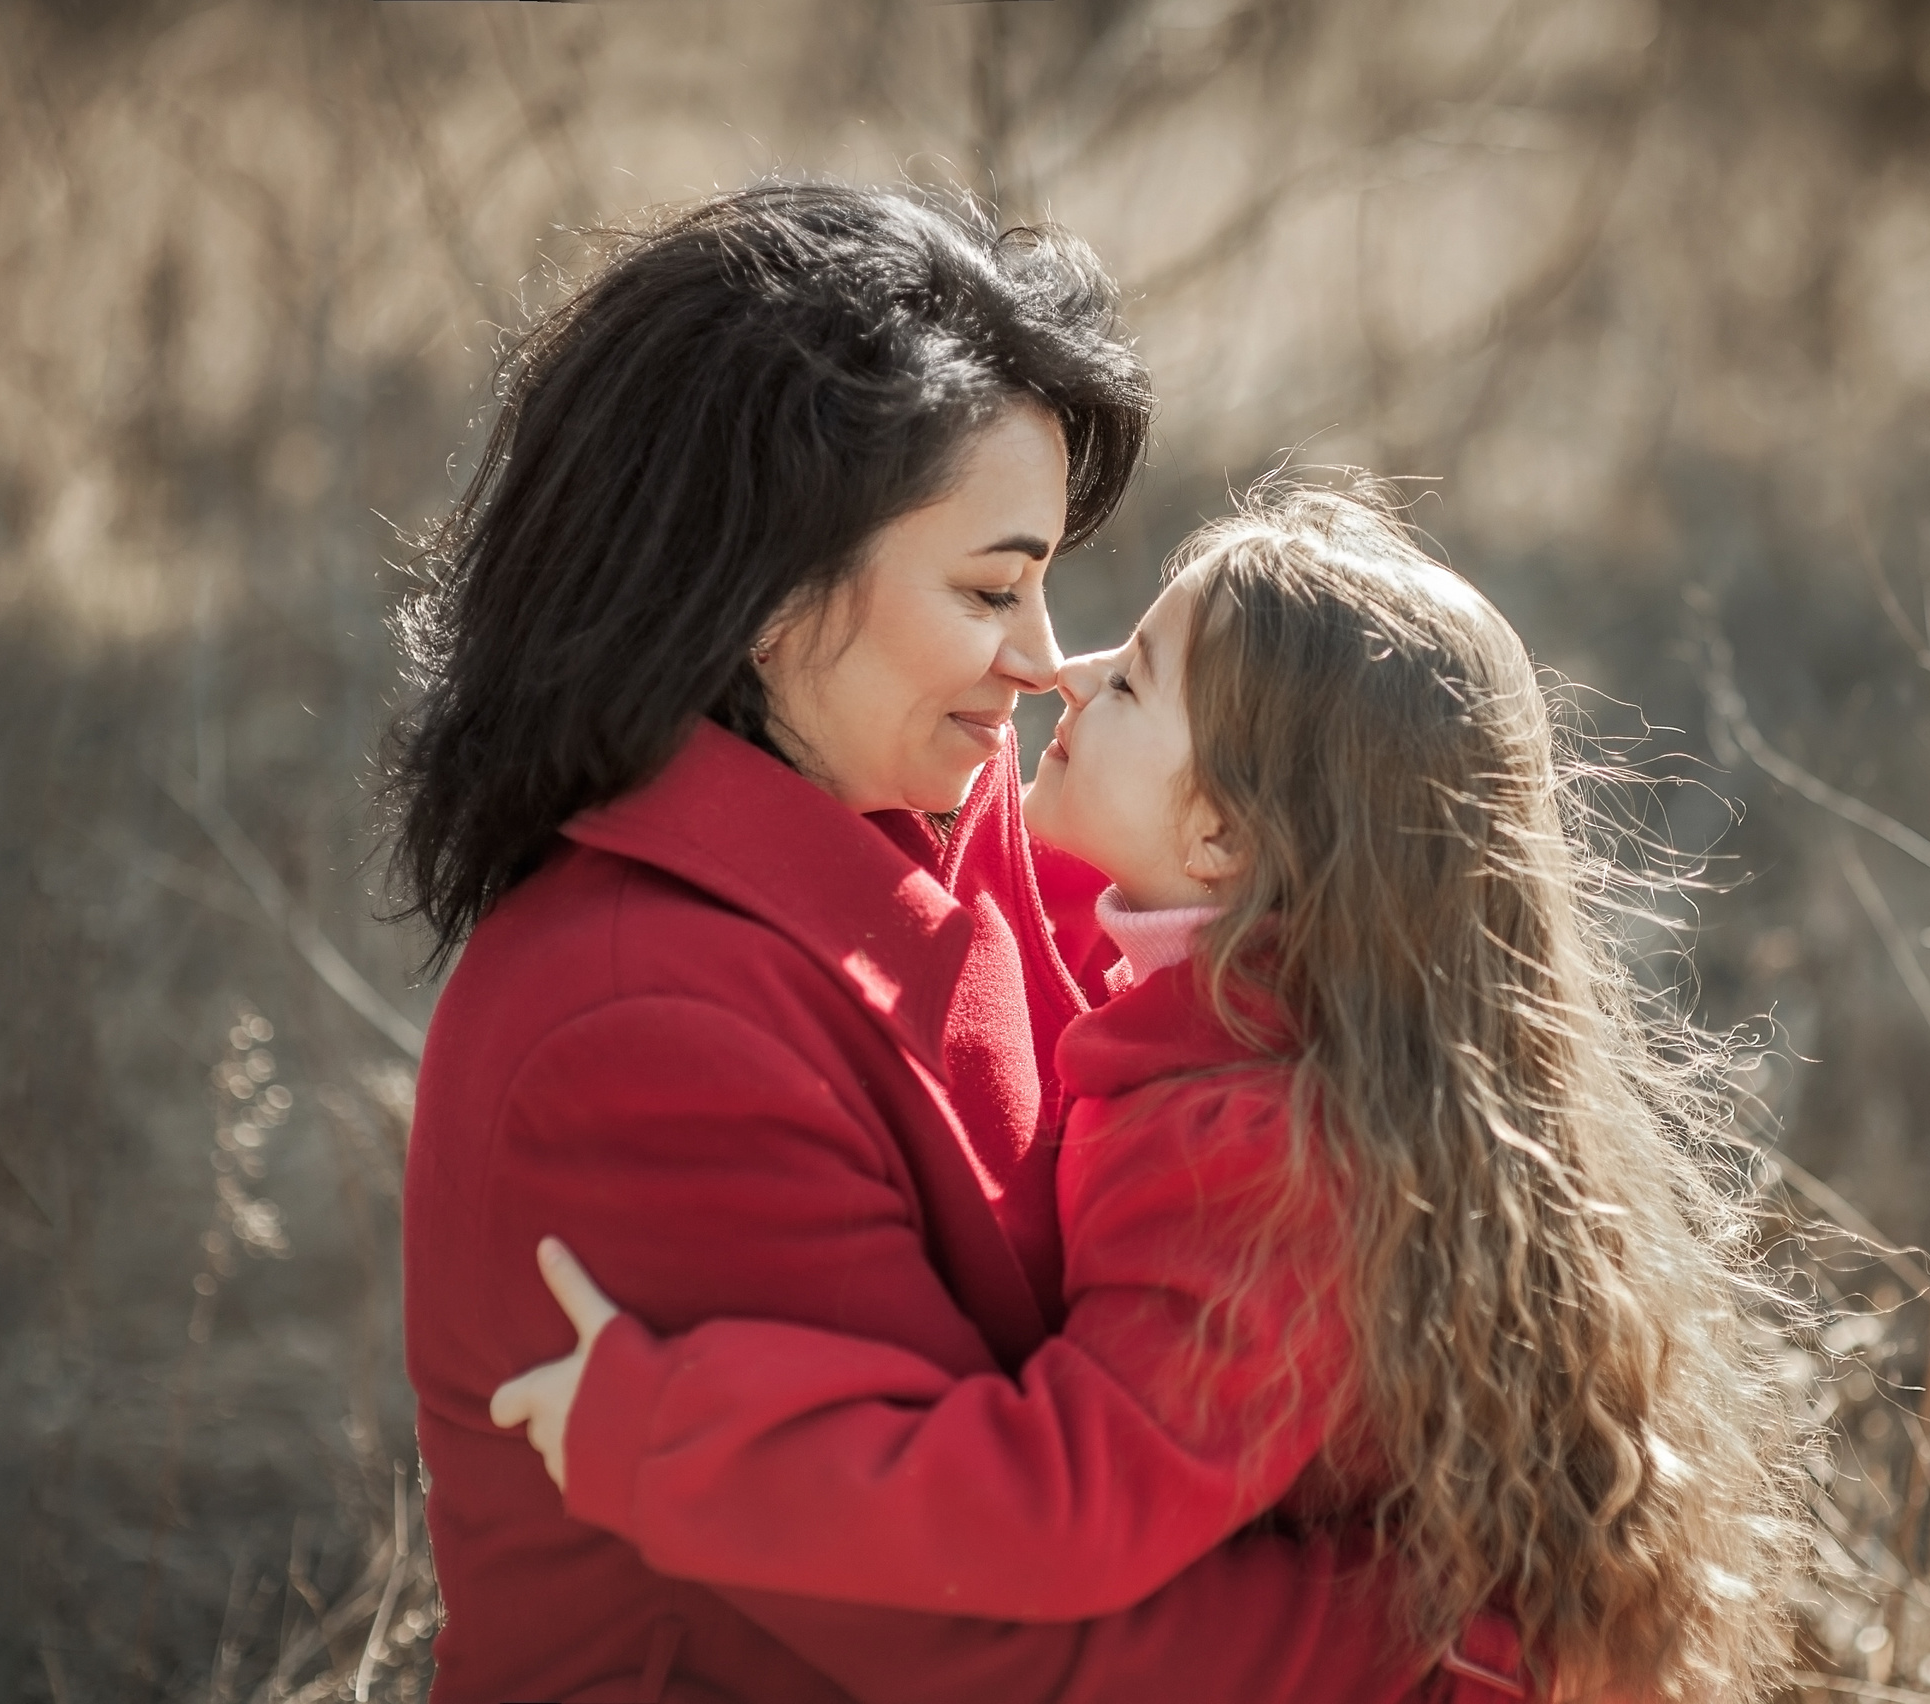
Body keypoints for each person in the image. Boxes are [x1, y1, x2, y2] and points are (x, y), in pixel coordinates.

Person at [389, 186, 1513, 1703]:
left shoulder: (944, 790)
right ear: (764, 595)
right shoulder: (636, 1034)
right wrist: (1470, 1653)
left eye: (1046, 575)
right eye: (992, 588)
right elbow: (998, 1635)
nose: (1046, 660)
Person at [490, 487, 1811, 1700]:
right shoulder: (1275, 1034)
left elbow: (1061, 1512)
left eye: (1131, 682)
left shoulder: (1259, 1146)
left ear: (1223, 836)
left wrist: (660, 1431)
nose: (1064, 671)